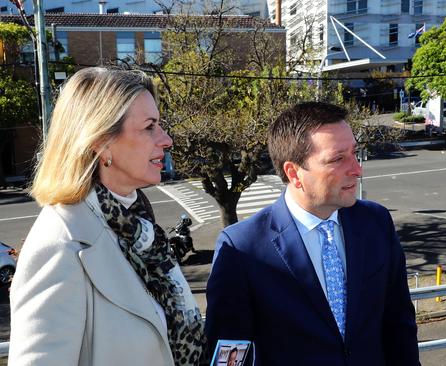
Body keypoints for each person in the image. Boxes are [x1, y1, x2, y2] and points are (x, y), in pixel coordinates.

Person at [9, 67, 205, 365]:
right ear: (101, 142)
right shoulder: (60, 246)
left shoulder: (139, 230)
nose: (166, 140)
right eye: (149, 126)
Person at [205, 102, 419, 366]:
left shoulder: (376, 222)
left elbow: (399, 322)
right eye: (337, 159)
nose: (356, 169)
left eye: (354, 153)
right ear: (294, 173)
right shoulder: (241, 249)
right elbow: (230, 355)